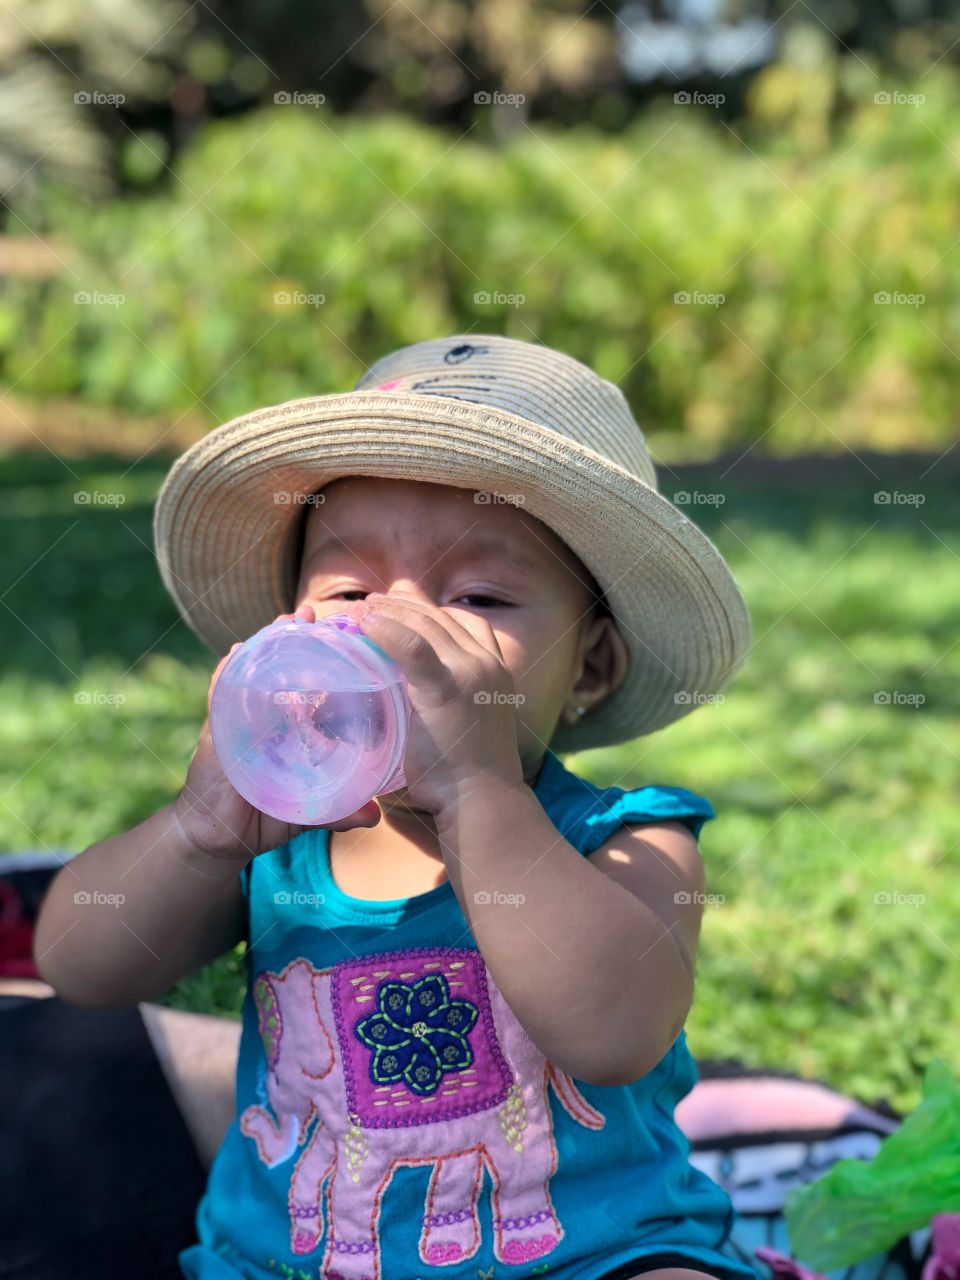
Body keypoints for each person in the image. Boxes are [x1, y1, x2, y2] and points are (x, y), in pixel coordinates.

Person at [34, 334, 758, 1280]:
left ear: (589, 666)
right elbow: (79, 968)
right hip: (287, 1264)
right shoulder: (272, 843)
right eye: (349, 588)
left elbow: (616, 1034)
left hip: (593, 1260)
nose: (396, 630)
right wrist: (196, 832)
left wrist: (478, 792)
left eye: (480, 597)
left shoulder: (626, 844)